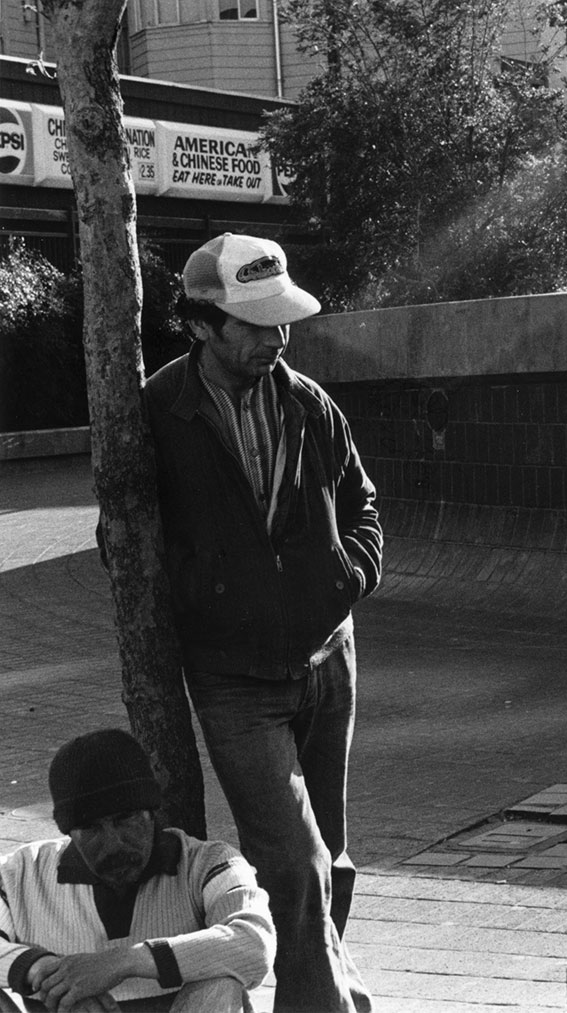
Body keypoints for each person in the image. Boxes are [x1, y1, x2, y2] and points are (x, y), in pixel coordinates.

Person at [141, 233, 381, 1010]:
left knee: (331, 856)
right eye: (256, 325)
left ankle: (330, 979)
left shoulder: (310, 402)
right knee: (294, 860)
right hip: (234, 678)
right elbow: (128, 535)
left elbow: (360, 502)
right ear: (203, 323)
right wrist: (202, 594)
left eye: (284, 323)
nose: (277, 339)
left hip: (327, 658)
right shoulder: (157, 412)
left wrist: (352, 577)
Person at [0, 728, 273, 1011]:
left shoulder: (208, 865)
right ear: (70, 831)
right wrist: (42, 969)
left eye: (125, 818)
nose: (113, 843)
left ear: (151, 811)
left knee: (220, 983)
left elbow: (254, 943)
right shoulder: (19, 874)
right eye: (91, 828)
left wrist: (122, 962)